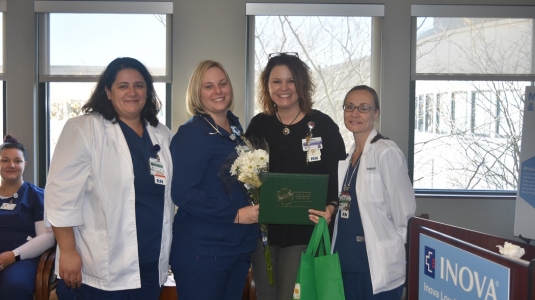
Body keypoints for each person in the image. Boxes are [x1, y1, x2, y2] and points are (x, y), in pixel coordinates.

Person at [44, 57, 174, 299]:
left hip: (150, 261)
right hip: (99, 265)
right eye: (123, 86)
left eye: (139, 85)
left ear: (147, 90)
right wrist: (68, 250)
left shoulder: (161, 134)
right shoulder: (84, 129)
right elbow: (59, 197)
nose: (132, 92)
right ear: (107, 91)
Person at [246, 52, 346, 299]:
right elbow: (245, 175)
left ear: (302, 83)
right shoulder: (259, 125)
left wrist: (332, 207)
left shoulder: (323, 126)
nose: (284, 88)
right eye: (276, 81)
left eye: (290, 80)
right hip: (264, 234)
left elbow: (340, 178)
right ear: (267, 87)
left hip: (304, 231)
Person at [169, 60, 259, 300]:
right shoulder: (191, 135)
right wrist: (236, 215)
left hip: (237, 247)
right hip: (203, 251)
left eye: (223, 83)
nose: (218, 91)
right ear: (197, 94)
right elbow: (183, 193)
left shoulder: (236, 129)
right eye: (208, 86)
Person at [331, 85, 416, 299]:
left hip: (376, 266)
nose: (355, 113)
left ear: (376, 113)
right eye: (349, 107)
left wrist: (394, 252)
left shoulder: (386, 152)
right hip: (344, 261)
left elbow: (405, 214)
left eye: (364, 108)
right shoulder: (348, 158)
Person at [0, 135, 55, 300]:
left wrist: (14, 255)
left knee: (15, 286)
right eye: (5, 160)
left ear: (25, 164)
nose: (11, 165)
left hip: (22, 259)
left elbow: (47, 237)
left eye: (17, 161)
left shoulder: (36, 196)